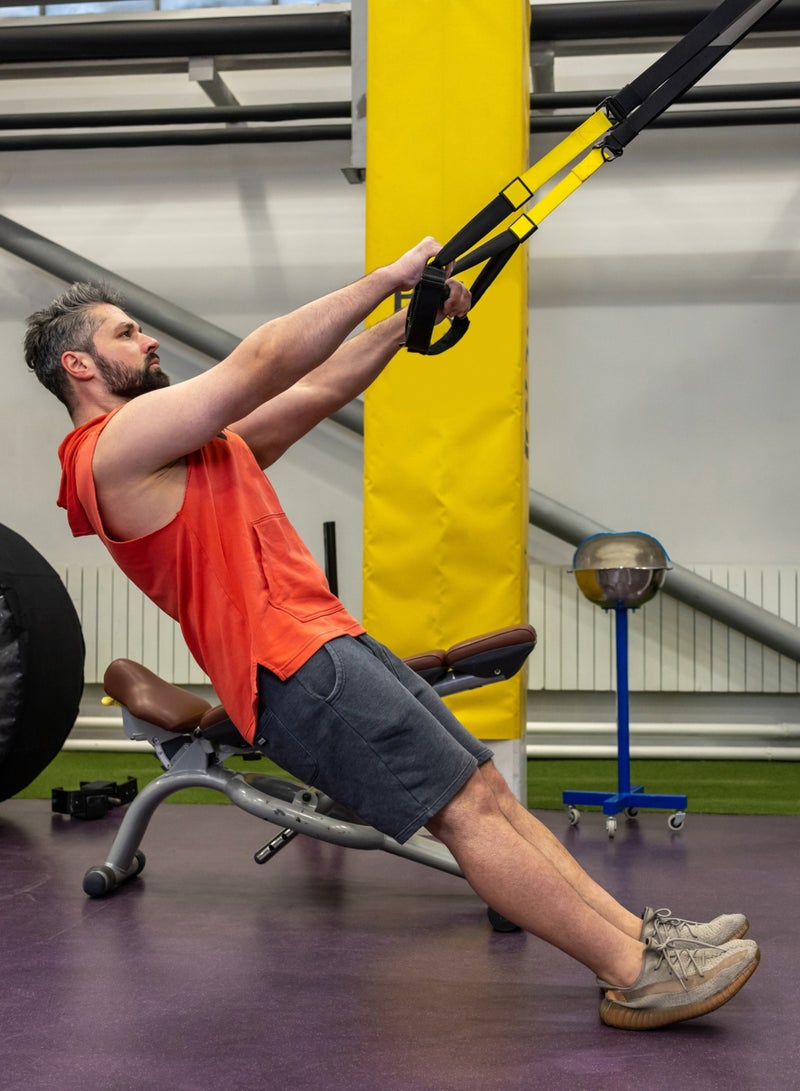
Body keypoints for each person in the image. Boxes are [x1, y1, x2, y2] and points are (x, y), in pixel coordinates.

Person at [27, 237, 758, 1030]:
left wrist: (402, 324)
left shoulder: (188, 453)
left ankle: (640, 938)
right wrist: (385, 279)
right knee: (467, 815)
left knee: (486, 795)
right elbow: (259, 364)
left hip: (325, 641)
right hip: (291, 664)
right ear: (81, 368)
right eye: (127, 333)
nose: (150, 338)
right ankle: (636, 974)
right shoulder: (105, 452)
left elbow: (312, 389)